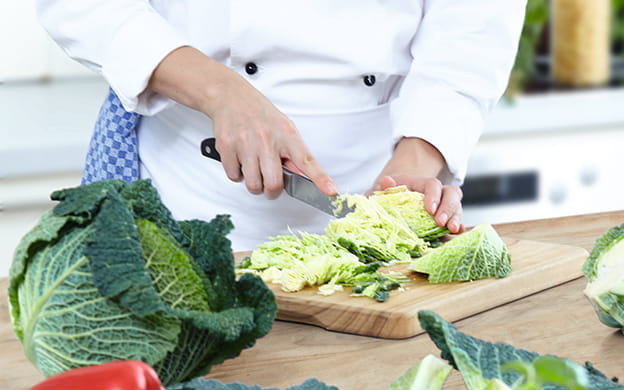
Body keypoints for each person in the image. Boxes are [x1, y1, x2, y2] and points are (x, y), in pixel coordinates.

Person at [36, 1, 526, 251]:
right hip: (191, 195)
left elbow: (474, 27)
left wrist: (418, 159)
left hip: (379, 180)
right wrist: (220, 91)